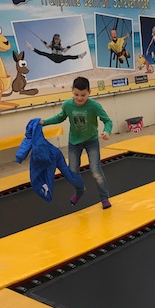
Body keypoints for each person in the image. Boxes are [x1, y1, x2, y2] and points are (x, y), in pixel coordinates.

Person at [40, 77, 113, 209]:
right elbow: (60, 117)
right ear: (72, 91)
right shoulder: (67, 105)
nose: (79, 98)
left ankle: (104, 198)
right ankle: (80, 192)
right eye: (76, 95)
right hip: (74, 142)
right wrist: (44, 122)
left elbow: (107, 120)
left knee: (96, 171)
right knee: (72, 172)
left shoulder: (94, 106)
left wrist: (107, 131)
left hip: (91, 141)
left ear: (89, 92)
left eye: (83, 95)